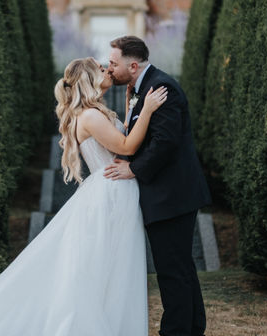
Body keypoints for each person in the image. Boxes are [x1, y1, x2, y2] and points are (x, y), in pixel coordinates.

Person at [0, 56, 167, 336]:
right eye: (101, 67)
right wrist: (147, 110)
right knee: (107, 267)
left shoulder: (95, 112)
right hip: (110, 194)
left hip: (115, 191)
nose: (108, 69)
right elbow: (126, 146)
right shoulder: (90, 116)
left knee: (113, 268)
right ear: (89, 79)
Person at [103, 36, 212, 336]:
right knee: (181, 267)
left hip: (172, 195)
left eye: (114, 64)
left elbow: (166, 142)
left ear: (133, 65)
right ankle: (192, 327)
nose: (109, 68)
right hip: (169, 194)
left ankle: (176, 330)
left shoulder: (162, 88)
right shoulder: (140, 88)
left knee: (171, 270)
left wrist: (133, 169)